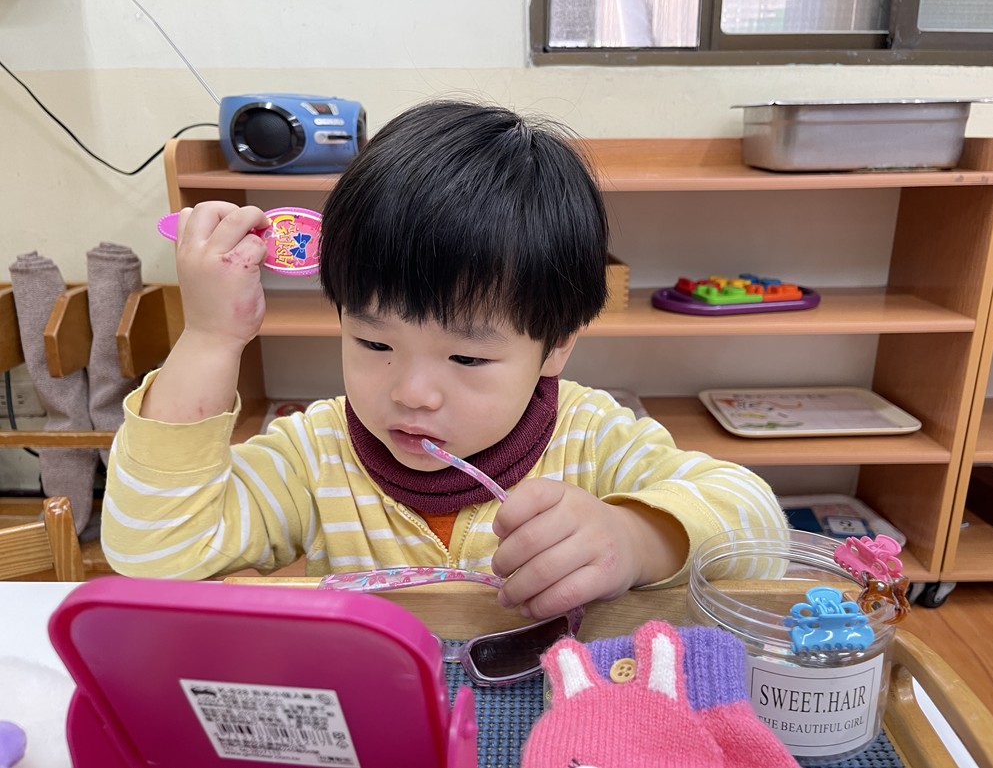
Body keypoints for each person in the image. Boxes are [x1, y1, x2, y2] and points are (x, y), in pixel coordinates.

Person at [102, 100, 787, 619]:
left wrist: (635, 537)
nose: (413, 393)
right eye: (374, 344)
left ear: (555, 345)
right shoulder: (315, 454)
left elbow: (758, 533)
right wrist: (210, 337)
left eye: (466, 357)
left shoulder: (592, 438)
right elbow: (154, 552)